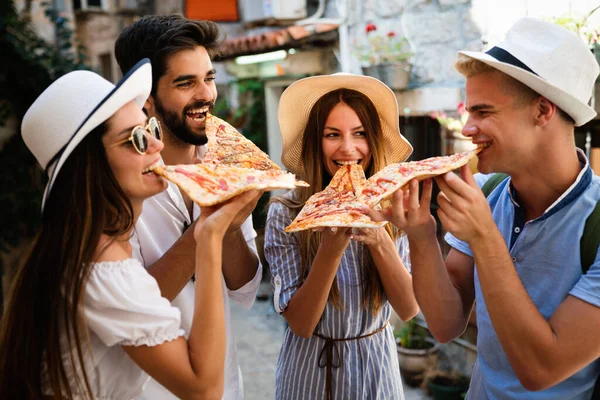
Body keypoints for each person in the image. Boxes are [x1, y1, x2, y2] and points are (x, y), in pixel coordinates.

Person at [365, 17, 600, 399]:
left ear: (543, 111)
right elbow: (445, 324)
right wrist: (422, 235)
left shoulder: (596, 222)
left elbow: (542, 370)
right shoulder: (490, 192)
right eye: (468, 111)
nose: (466, 127)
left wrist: (485, 235)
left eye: (483, 112)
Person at [0, 60, 258, 399]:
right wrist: (208, 234)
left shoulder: (95, 248)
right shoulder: (101, 265)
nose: (156, 146)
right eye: (135, 139)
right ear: (92, 166)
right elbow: (205, 389)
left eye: (149, 129)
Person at [113, 15, 263, 400]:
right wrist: (208, 227)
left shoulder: (225, 162)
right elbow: (132, 304)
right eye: (185, 83)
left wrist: (230, 227)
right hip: (151, 390)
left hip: (226, 385)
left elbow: (245, 288)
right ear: (146, 97)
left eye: (209, 78)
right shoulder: (120, 183)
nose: (206, 95)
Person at [264, 73, 420, 400]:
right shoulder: (287, 211)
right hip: (310, 372)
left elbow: (408, 309)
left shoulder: (390, 205)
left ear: (373, 140)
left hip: (377, 366)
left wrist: (378, 238)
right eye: (332, 135)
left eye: (360, 134)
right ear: (314, 143)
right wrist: (330, 251)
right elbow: (301, 324)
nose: (348, 149)